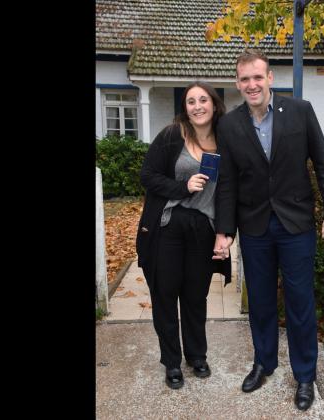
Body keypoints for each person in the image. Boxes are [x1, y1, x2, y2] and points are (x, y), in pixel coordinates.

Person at [213, 49, 324, 411]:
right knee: (261, 302)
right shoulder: (230, 125)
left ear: (269, 78)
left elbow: (323, 163)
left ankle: (305, 374)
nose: (251, 85)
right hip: (254, 226)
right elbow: (227, 183)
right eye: (244, 79)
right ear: (238, 84)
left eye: (258, 77)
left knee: (300, 302)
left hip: (295, 224)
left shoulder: (300, 112)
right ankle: (264, 363)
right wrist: (225, 231)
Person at [136, 81, 232, 390]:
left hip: (203, 229)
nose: (197, 106)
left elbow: (231, 192)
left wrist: (225, 234)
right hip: (169, 225)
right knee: (165, 294)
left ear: (214, 104)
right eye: (191, 101)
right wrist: (183, 187)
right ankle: (172, 363)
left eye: (203, 99)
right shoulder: (171, 135)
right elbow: (147, 176)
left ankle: (196, 355)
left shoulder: (227, 141)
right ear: (185, 108)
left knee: (195, 296)